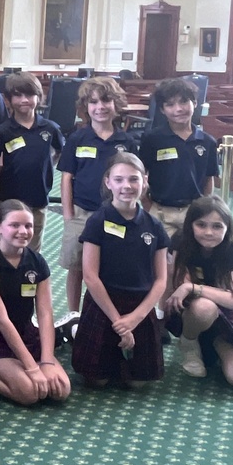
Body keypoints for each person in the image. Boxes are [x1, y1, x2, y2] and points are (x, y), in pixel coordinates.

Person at [71, 152, 168, 388]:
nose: (127, 186)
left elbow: (161, 280)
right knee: (97, 381)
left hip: (139, 307)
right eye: (119, 179)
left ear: (145, 181)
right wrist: (118, 322)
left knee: (137, 383)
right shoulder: (97, 221)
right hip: (104, 304)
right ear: (108, 183)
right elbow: (90, 276)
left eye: (134, 179)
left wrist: (135, 318)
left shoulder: (154, 226)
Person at [164, 196, 233, 393]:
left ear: (228, 227)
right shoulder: (180, 242)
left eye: (217, 226)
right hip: (188, 312)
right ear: (190, 225)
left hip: (223, 319)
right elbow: (174, 285)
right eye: (201, 225)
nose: (209, 232)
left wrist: (193, 288)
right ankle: (189, 344)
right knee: (204, 306)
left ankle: (212, 345)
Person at [58, 77, 136, 313]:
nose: (100, 107)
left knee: (110, 266)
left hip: (115, 214)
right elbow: (66, 178)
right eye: (93, 102)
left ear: (117, 105)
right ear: (85, 107)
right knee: (76, 266)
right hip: (81, 212)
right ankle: (73, 313)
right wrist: (68, 215)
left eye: (106, 100)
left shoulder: (126, 141)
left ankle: (103, 313)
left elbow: (135, 179)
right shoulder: (77, 138)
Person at [0, 200, 71, 405]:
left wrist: (47, 361)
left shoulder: (37, 262)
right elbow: (2, 320)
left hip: (25, 333)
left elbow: (45, 314)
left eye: (28, 226)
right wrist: (32, 367)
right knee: (29, 393)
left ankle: (20, 366)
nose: (23, 231)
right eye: (14, 225)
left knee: (61, 389)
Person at [0, 72, 64, 252]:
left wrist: (47, 165)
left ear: (39, 97)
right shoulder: (2, 131)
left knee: (32, 249)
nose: (24, 100)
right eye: (18, 95)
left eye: (30, 95)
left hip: (38, 198)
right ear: (8, 99)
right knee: (3, 247)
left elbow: (60, 151)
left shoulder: (50, 128)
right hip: (8, 198)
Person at [139, 78, 219, 238]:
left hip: (194, 211)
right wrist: (147, 205)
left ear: (195, 103)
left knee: (190, 258)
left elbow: (209, 178)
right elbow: (141, 174)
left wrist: (204, 207)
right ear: (162, 109)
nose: (178, 109)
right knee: (162, 258)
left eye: (184, 102)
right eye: (170, 104)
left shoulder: (207, 141)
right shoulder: (152, 139)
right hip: (160, 211)